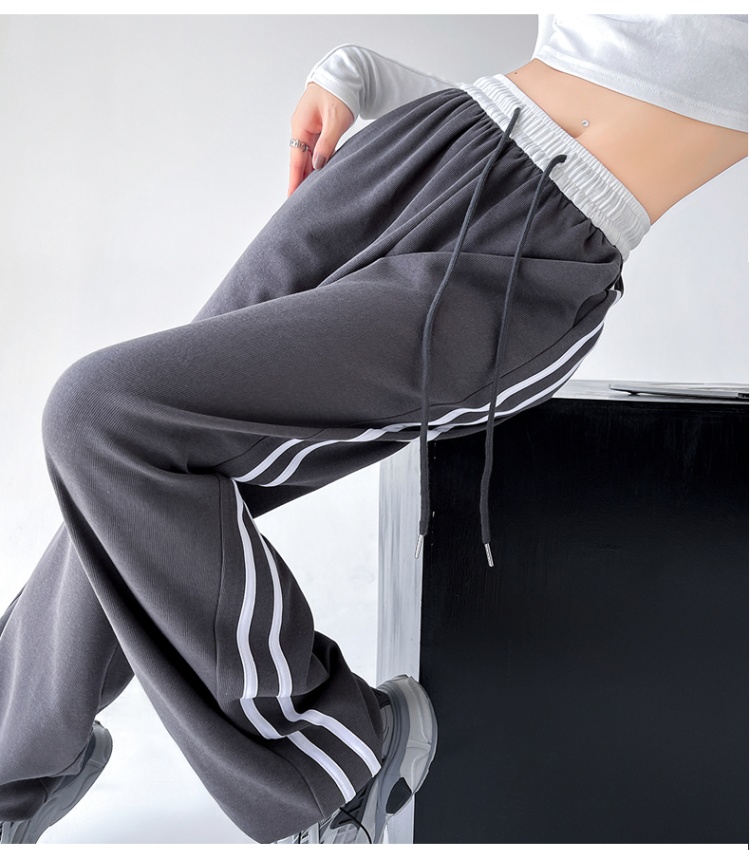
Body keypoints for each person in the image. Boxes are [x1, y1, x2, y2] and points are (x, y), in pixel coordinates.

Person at [0, 13, 746, 846]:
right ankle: (5, 773)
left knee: (106, 418)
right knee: (136, 460)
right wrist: (364, 75)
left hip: (531, 258)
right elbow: (584, 64)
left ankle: (334, 755)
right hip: (425, 148)